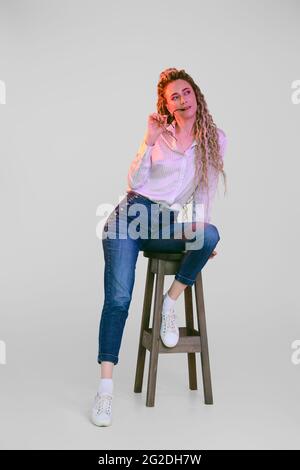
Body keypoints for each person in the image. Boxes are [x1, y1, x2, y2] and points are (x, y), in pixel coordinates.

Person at [91, 67, 228, 426]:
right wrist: (149, 139)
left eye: (185, 92)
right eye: (174, 97)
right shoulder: (160, 135)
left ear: (195, 94)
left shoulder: (215, 139)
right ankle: (105, 391)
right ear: (166, 106)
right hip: (130, 218)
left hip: (165, 223)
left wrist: (198, 231)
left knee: (211, 235)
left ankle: (170, 302)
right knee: (119, 299)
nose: (181, 100)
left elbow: (205, 191)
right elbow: (133, 182)